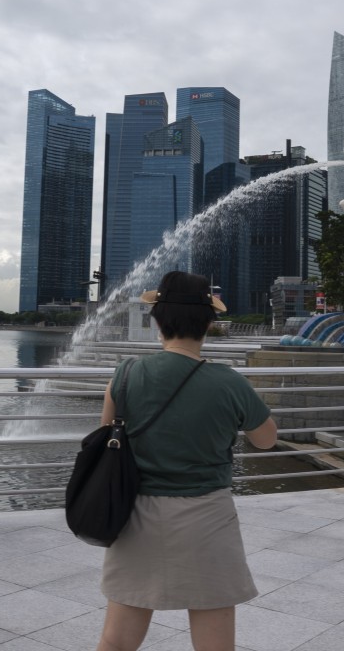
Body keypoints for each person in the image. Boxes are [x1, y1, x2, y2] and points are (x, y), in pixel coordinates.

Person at [95, 271, 278, 651]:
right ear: (209, 323)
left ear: (157, 320)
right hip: (207, 516)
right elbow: (266, 440)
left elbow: (107, 437)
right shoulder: (229, 382)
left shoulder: (126, 374)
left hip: (136, 515)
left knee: (117, 642)